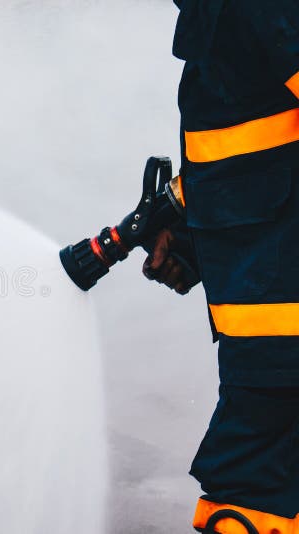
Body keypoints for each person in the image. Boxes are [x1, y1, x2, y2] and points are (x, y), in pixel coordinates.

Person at [144, 1, 299, 532]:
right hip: (265, 333)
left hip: (281, 330)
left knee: (251, 487)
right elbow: (247, 146)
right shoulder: (220, 17)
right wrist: (188, 225)